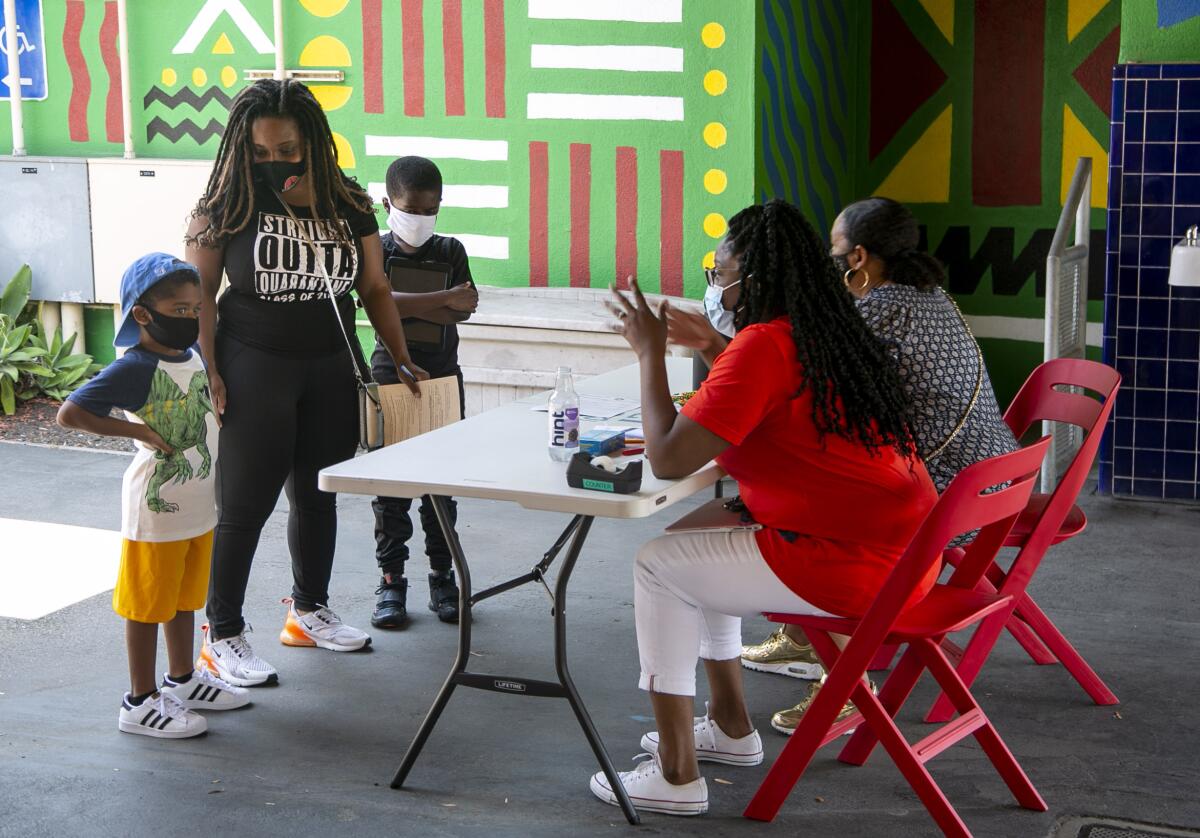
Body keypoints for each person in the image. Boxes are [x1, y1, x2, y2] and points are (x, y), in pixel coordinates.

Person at [589, 200, 937, 815]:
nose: (715, 284)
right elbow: (771, 397)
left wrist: (648, 351)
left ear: (755, 279)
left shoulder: (764, 346)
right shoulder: (827, 328)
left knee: (658, 565)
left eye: (720, 272)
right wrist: (711, 345)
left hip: (858, 566)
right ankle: (729, 726)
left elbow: (669, 459)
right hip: (903, 552)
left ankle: (675, 776)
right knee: (695, 530)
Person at [670, 196, 1020, 736]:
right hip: (990, 478)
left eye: (832, 253)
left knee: (784, 483)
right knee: (783, 475)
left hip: (934, 495)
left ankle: (841, 675)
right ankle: (804, 638)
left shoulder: (867, 314)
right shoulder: (926, 295)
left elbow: (803, 393)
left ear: (856, 257)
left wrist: (716, 356)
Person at [184, 79, 428, 687]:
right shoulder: (224, 205)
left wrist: (398, 355)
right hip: (254, 361)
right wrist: (209, 368)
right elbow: (199, 298)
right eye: (261, 151)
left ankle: (308, 610)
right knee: (245, 505)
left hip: (329, 364)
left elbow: (373, 287)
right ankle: (223, 633)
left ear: (311, 143)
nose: (274, 162)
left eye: (286, 148)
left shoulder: (349, 201)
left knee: (319, 493)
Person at [57, 253, 250, 738]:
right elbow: (71, 414)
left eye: (194, 310)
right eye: (178, 310)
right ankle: (139, 701)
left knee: (183, 600)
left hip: (198, 506)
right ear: (142, 314)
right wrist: (135, 428)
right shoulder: (136, 367)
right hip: (156, 512)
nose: (189, 318)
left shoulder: (192, 356)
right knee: (147, 606)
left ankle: (181, 680)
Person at [371, 156, 478, 628]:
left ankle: (442, 577)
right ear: (387, 202)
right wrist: (439, 300)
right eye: (411, 208)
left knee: (441, 485)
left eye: (430, 209)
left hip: (441, 378)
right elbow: (376, 306)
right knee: (389, 486)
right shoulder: (374, 250)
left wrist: (400, 306)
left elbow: (465, 310)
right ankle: (391, 581)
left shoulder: (452, 250)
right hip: (390, 377)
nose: (420, 218)